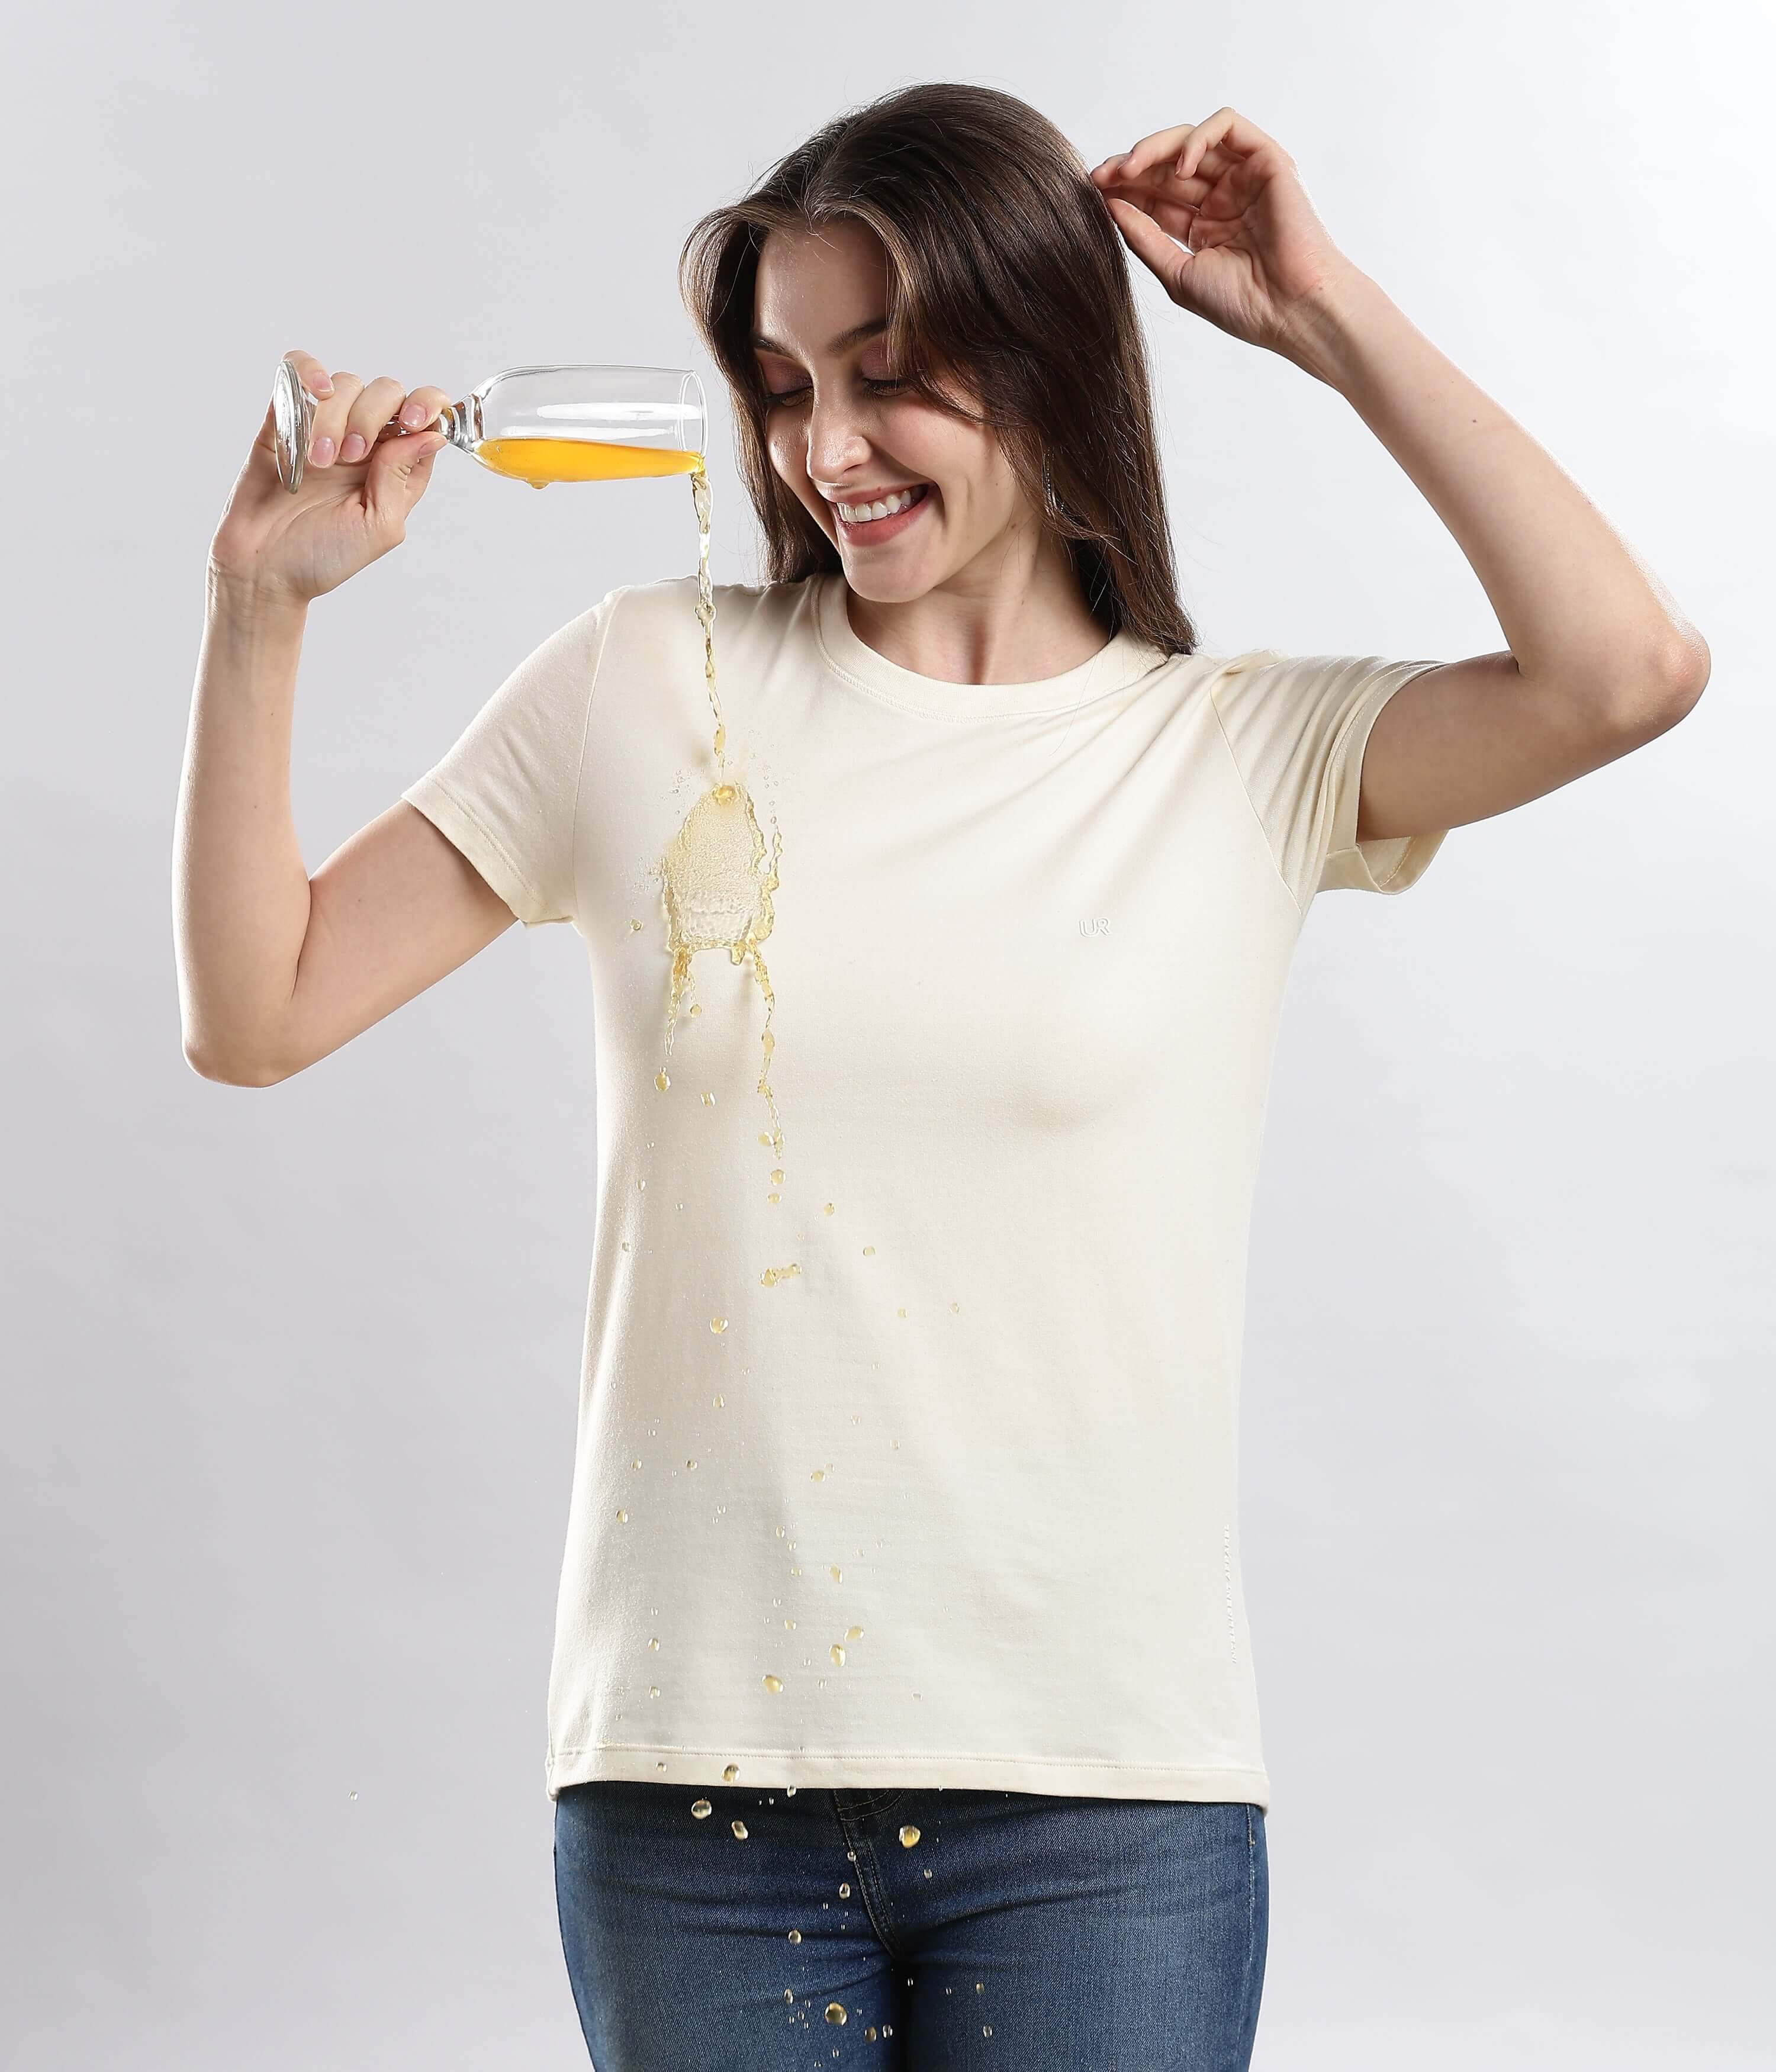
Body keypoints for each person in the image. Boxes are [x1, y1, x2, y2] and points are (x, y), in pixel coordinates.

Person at [173, 82, 1708, 2072]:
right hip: (689, 1786)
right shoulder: (649, 683)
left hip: (1106, 1796)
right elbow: (258, 1007)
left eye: (890, 379)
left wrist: (1322, 315)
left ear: (1051, 360)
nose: (822, 449)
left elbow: (1627, 673)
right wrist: (256, 607)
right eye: (788, 380)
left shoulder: (1237, 754)